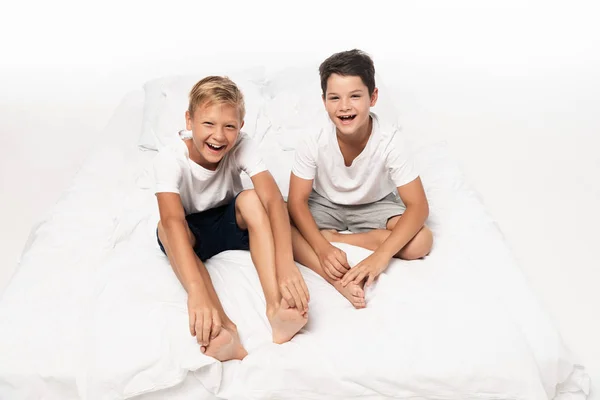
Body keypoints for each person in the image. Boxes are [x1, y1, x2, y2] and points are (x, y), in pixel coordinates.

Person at [154, 76, 309, 361]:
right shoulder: (170, 157)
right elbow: (174, 220)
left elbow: (273, 200)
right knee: (165, 228)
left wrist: (285, 264)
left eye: (230, 126)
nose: (219, 136)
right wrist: (196, 291)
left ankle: (275, 307)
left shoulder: (242, 145)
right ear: (189, 121)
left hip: (227, 222)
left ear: (240, 127)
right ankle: (224, 328)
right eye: (208, 124)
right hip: (190, 233)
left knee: (251, 198)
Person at [288, 49, 433, 309]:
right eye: (335, 98)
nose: (344, 107)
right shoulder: (313, 139)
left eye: (355, 96)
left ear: (373, 97)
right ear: (324, 101)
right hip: (324, 203)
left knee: (421, 242)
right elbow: (297, 202)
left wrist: (380, 256)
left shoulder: (390, 140)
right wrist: (322, 248)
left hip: (375, 205)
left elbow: (419, 205)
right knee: (274, 220)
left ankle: (340, 238)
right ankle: (328, 246)